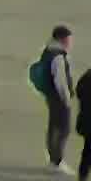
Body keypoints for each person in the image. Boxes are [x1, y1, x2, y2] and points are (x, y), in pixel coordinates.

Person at [30, 25, 75, 172]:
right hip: (59, 98)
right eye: (69, 40)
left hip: (50, 96)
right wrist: (67, 99)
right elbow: (60, 81)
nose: (70, 43)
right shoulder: (58, 57)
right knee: (63, 129)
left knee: (53, 127)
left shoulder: (48, 51)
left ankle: (53, 159)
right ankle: (56, 161)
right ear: (62, 39)